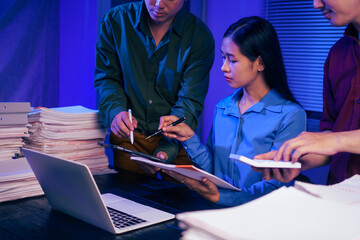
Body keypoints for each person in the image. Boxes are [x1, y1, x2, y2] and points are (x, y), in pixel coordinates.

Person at [159, 16, 306, 206]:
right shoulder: (223, 107)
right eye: (223, 57)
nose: (223, 67)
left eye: (233, 60)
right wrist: (189, 138)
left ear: (260, 63)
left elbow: (276, 187)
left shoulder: (290, 115)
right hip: (214, 211)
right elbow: (212, 168)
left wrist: (222, 198)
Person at [94, 0, 215, 175]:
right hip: (130, 138)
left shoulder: (199, 37)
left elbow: (189, 102)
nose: (158, 4)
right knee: (128, 197)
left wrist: (165, 151)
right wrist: (115, 112)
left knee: (176, 200)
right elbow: (107, 78)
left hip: (177, 142)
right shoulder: (115, 21)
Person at [254, 0, 360, 184]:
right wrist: (296, 161)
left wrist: (336, 140)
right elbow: (331, 134)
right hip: (339, 194)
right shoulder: (338, 54)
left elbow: (334, 140)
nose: (316, 4)